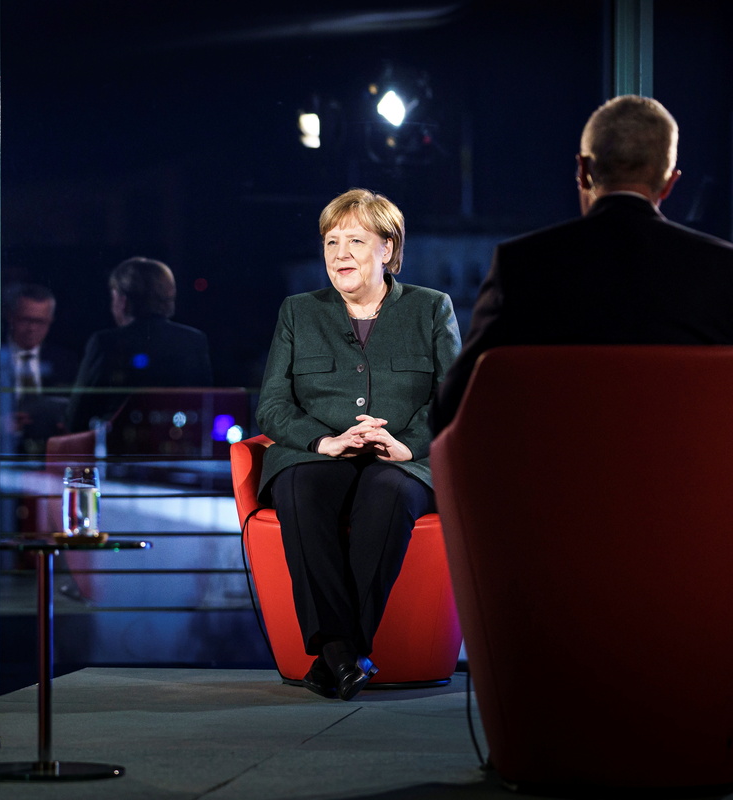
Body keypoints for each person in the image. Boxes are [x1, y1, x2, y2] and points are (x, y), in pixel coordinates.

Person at [256, 189, 460, 701]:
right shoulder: (298, 311)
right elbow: (272, 406)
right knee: (300, 490)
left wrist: (408, 444)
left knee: (387, 493)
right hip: (317, 452)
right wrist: (322, 440)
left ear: (387, 249)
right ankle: (346, 653)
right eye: (331, 242)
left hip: (403, 460)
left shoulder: (431, 308)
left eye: (355, 241)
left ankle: (337, 655)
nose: (339, 254)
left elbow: (453, 397)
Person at [430, 95, 733, 435]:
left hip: (552, 467)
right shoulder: (723, 269)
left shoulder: (523, 265)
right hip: (686, 467)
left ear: (584, 170)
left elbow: (451, 407)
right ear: (669, 183)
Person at [66, 256, 213, 434]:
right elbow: (205, 408)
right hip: (180, 442)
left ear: (122, 300)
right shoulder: (194, 340)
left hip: (119, 446)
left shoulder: (105, 343)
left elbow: (77, 415)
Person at [0, 283, 77, 454]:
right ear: (10, 316)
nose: (32, 328)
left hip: (50, 451)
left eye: (40, 322)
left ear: (51, 321)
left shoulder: (66, 362)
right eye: (25, 320)